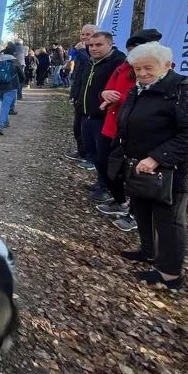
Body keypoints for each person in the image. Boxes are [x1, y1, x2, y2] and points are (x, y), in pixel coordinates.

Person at [116, 42, 188, 290]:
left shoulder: (181, 89)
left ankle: (170, 274)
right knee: (142, 209)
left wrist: (157, 157)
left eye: (148, 68)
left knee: (169, 219)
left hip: (175, 168)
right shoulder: (140, 88)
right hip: (143, 165)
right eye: (137, 69)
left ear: (167, 65)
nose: (142, 73)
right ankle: (148, 252)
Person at [94, 29, 163, 228]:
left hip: (136, 130)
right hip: (111, 125)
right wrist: (105, 95)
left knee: (133, 173)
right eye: (131, 49)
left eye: (136, 49)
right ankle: (120, 201)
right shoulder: (123, 67)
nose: (132, 53)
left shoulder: (155, 70)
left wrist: (120, 100)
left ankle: (134, 214)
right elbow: (107, 90)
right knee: (106, 165)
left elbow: (145, 100)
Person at [78, 32, 126, 201]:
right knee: (93, 153)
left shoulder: (117, 62)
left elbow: (121, 90)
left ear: (110, 45)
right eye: (91, 45)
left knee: (104, 156)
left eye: (99, 45)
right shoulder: (91, 63)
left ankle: (107, 188)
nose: (93, 48)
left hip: (104, 118)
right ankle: (101, 182)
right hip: (86, 115)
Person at [66, 24, 100, 164]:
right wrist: (73, 93)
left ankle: (90, 157)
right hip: (80, 96)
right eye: (83, 34)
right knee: (78, 127)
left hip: (91, 99)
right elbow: (79, 75)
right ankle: (82, 151)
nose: (84, 37)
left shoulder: (92, 53)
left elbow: (90, 66)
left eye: (88, 34)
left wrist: (81, 51)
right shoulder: (82, 52)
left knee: (88, 129)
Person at [0, 45, 24, 136]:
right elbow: (22, 76)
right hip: (11, 87)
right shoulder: (15, 62)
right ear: (13, 53)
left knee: (5, 104)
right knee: (5, 107)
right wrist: (20, 83)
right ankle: (0, 126)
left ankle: (5, 122)